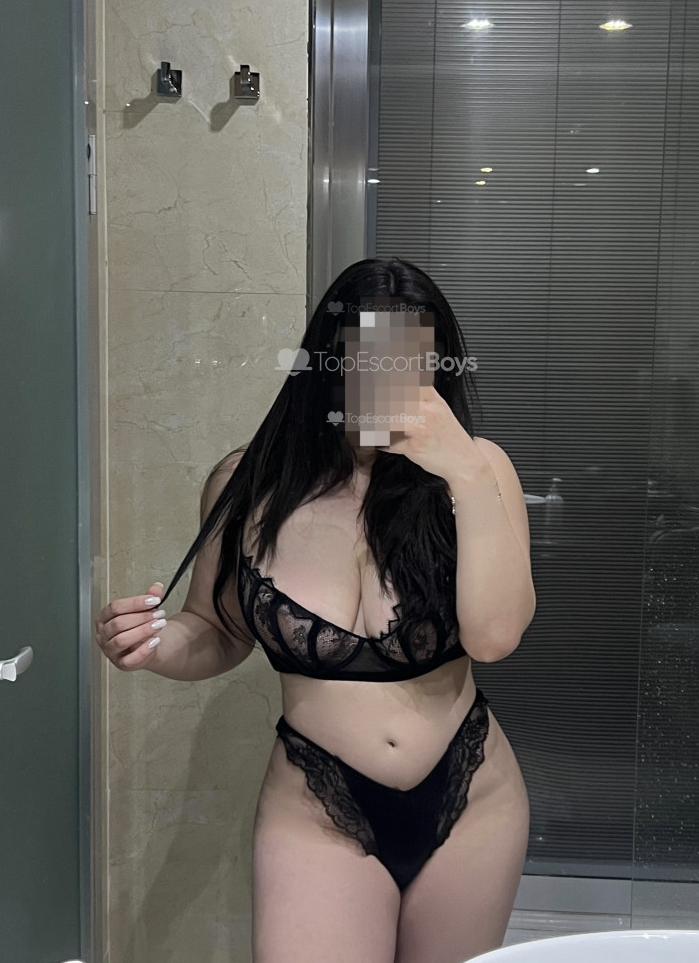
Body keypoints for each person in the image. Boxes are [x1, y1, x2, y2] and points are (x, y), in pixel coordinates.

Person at [95, 257, 534, 963]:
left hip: (473, 797)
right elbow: (214, 629)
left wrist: (465, 471)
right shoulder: (248, 484)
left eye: (413, 363)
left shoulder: (480, 471)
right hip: (316, 805)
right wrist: (152, 646)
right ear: (329, 363)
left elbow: (495, 636)